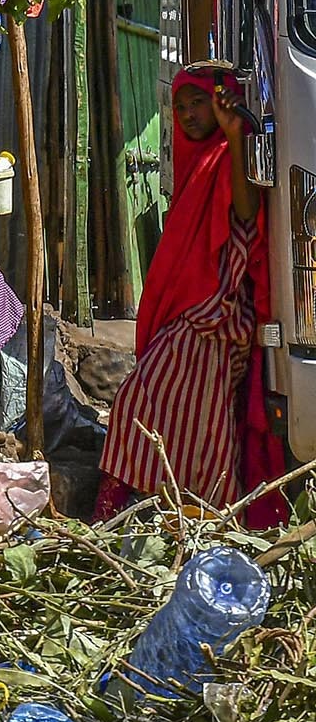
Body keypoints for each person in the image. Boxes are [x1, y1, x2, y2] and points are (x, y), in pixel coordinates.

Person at [95, 71, 283, 522]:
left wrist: (236, 136)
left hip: (216, 321)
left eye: (198, 102)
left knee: (142, 403)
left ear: (222, 102)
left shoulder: (223, 155)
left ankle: (186, 515)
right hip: (198, 319)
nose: (189, 115)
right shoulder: (196, 161)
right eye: (181, 108)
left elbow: (244, 213)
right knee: (195, 423)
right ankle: (180, 516)